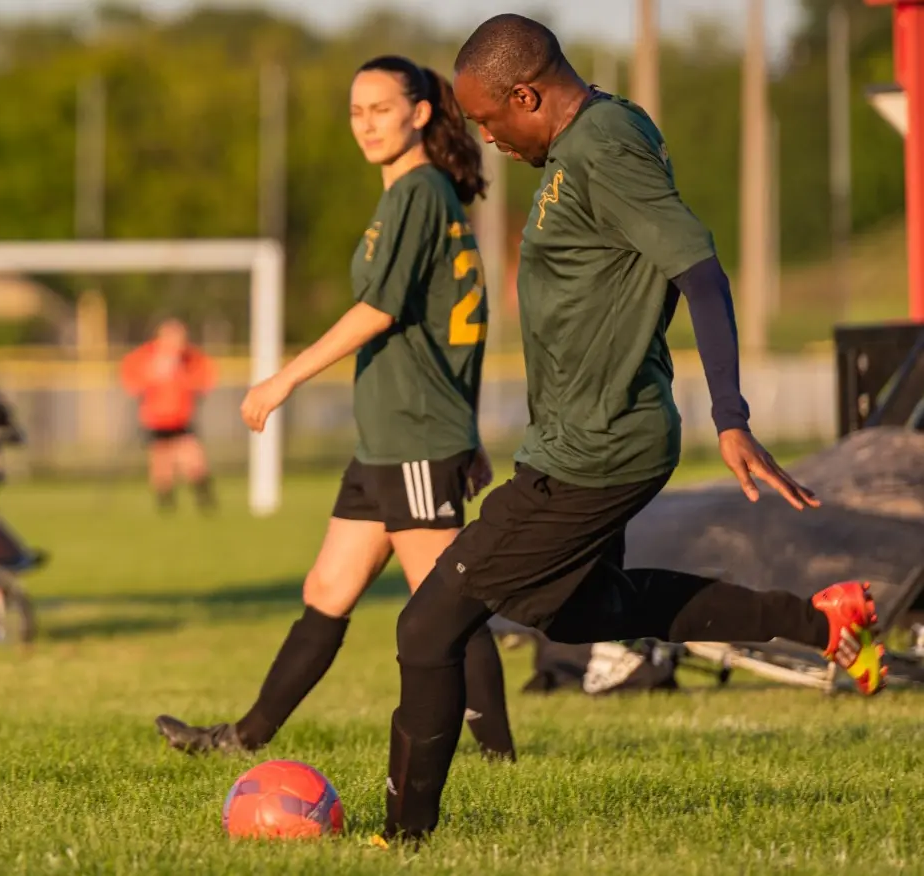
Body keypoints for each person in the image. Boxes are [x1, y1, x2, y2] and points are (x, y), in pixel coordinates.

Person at [373, 14, 889, 846]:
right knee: (584, 613)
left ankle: (401, 840)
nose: (489, 138)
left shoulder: (603, 147)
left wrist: (732, 415)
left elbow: (699, 268)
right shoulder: (598, 134)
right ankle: (825, 622)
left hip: (595, 449)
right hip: (584, 439)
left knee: (426, 625)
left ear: (528, 95)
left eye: (489, 119)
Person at [153, 55, 516, 763]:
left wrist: (281, 379)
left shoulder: (418, 192)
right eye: (356, 111)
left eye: (381, 108)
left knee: (445, 605)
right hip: (389, 435)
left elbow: (379, 311)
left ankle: (497, 757)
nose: (366, 124)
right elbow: (449, 327)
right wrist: (468, 432)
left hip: (413, 434)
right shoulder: (413, 197)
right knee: (326, 587)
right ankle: (242, 737)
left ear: (418, 113)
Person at [120, 317, 217, 513]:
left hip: (181, 419)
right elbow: (131, 381)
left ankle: (206, 502)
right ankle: (167, 508)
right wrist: (152, 375)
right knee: (162, 469)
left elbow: (205, 379)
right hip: (156, 420)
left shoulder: (189, 358)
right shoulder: (146, 356)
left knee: (194, 463)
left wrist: (183, 377)